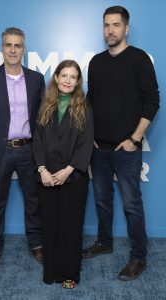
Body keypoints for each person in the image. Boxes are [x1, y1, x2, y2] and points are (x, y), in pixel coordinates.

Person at [82, 6, 160, 281]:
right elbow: (91, 100)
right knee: (102, 200)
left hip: (126, 149)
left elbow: (153, 101)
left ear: (126, 28)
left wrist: (134, 138)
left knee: (131, 205)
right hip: (98, 149)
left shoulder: (139, 59)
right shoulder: (96, 62)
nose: (110, 30)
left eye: (116, 25)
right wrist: (88, 133)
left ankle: (139, 256)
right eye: (106, 25)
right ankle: (105, 242)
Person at [0, 27, 45, 272]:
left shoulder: (36, 79)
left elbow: (40, 116)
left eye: (17, 45)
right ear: (2, 48)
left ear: (23, 49)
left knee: (33, 201)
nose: (13, 50)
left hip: (28, 150)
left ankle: (36, 244)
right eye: (8, 45)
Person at [33, 60, 94, 288]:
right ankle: (51, 271)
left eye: (73, 77)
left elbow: (86, 144)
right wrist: (42, 169)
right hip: (46, 177)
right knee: (50, 224)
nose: (68, 80)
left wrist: (68, 170)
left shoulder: (85, 107)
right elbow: (37, 141)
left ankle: (70, 273)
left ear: (78, 82)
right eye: (64, 75)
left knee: (70, 226)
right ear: (56, 78)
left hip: (73, 177)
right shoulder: (44, 105)